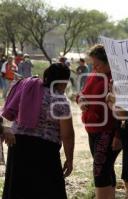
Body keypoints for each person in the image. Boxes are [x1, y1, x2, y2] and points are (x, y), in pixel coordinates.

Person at [1, 63, 75, 199]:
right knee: (47, 190)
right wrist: (69, 160)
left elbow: (8, 113)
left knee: (17, 190)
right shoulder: (60, 100)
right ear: (63, 82)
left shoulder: (26, 88)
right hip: (45, 151)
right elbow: (67, 134)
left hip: (18, 147)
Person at [77, 44, 120, 199]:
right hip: (92, 129)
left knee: (100, 170)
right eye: (92, 63)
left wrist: (118, 135)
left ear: (109, 62)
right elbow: (81, 93)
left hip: (107, 131)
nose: (94, 66)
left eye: (97, 63)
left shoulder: (116, 80)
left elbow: (122, 111)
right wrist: (80, 100)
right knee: (105, 169)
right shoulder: (94, 74)